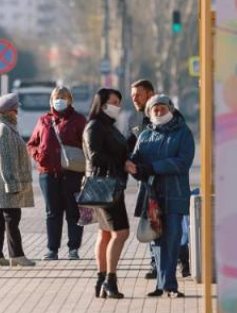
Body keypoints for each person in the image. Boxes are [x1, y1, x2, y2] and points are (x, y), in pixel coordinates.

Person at [128, 94, 195, 298]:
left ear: (171, 109)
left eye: (162, 108)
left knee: (173, 237)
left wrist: (152, 168)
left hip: (175, 193)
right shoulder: (144, 135)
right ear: (149, 112)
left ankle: (170, 285)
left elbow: (183, 162)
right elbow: (136, 160)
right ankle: (161, 284)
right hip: (151, 196)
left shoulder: (183, 132)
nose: (158, 112)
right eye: (154, 109)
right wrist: (134, 167)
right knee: (155, 238)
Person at [27, 86, 87, 261]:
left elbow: (87, 145)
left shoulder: (78, 120)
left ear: (70, 100)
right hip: (48, 174)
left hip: (72, 173)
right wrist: (38, 155)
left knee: (73, 212)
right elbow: (31, 143)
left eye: (63, 97)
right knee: (52, 212)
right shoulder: (43, 120)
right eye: (56, 97)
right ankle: (52, 249)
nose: (59, 100)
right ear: (51, 100)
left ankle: (73, 248)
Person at [83, 88, 130, 299]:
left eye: (119, 102)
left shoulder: (108, 126)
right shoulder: (95, 126)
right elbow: (95, 156)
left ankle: (101, 280)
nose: (117, 106)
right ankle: (110, 280)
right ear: (102, 104)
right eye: (114, 102)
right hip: (105, 186)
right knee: (121, 233)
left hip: (108, 185)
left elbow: (116, 149)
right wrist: (122, 162)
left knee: (105, 233)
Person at [0, 93, 36, 268]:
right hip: (6, 185)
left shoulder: (2, 126)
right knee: (12, 219)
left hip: (0, 185)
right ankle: (17, 255)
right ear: (10, 111)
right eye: (16, 109)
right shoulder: (3, 129)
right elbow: (5, 159)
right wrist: (12, 184)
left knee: (0, 219)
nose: (18, 112)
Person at [126, 79, 157, 280]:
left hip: (163, 179)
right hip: (145, 180)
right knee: (152, 221)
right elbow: (128, 146)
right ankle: (156, 263)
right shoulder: (135, 119)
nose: (135, 99)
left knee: (165, 221)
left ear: (150, 94)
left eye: (138, 95)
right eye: (133, 96)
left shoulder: (163, 115)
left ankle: (181, 259)